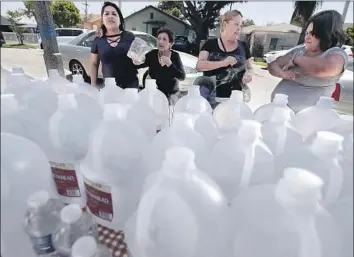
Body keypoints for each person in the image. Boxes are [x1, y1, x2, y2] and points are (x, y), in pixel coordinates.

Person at [268, 10, 348, 113]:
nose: (307, 37)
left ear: (326, 34)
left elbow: (322, 69)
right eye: (307, 32)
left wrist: (296, 59)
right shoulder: (299, 50)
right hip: (278, 113)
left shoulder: (336, 54)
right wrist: (282, 74)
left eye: (312, 33)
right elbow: (273, 65)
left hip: (306, 121)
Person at [196, 10, 253, 108]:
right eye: (236, 24)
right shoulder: (210, 44)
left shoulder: (243, 46)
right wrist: (223, 63)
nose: (239, 28)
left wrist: (249, 74)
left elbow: (250, 67)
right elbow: (199, 66)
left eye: (240, 25)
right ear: (225, 24)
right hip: (211, 100)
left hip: (234, 101)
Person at [90, 1, 139, 89]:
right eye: (106, 14)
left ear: (120, 20)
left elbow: (139, 59)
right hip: (110, 89)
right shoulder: (98, 40)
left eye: (114, 14)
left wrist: (138, 60)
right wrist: (93, 86)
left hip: (131, 89)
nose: (110, 16)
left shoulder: (129, 36)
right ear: (102, 20)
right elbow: (94, 64)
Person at [134, 28, 186, 100]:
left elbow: (182, 77)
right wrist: (136, 61)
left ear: (170, 43)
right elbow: (139, 65)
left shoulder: (175, 56)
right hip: (154, 93)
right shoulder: (152, 54)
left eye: (164, 39)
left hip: (171, 94)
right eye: (159, 39)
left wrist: (170, 64)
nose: (160, 41)